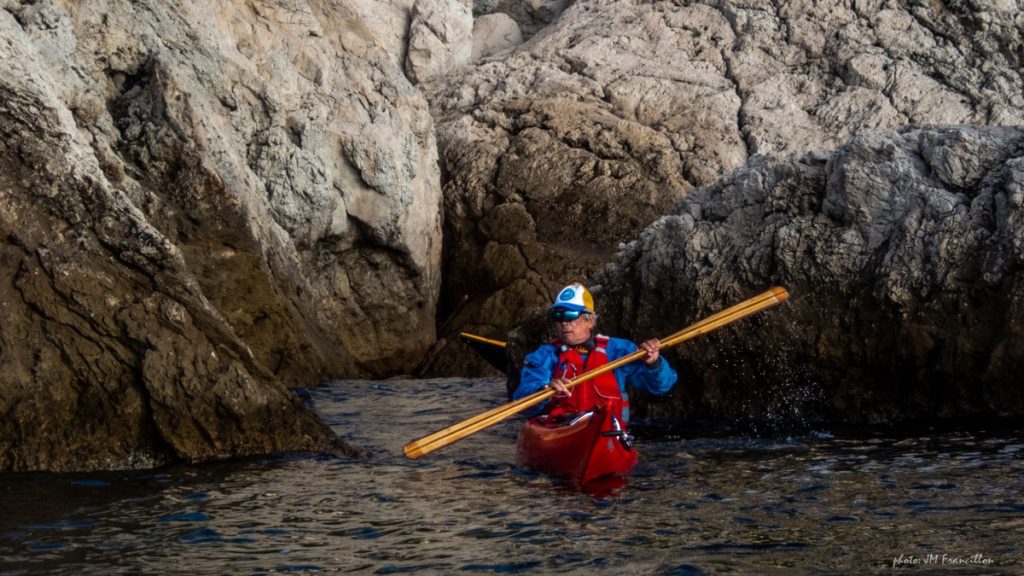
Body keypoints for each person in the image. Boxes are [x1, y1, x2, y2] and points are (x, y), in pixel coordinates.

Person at [514, 283, 677, 424]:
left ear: (590, 321)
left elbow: (662, 386)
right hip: (560, 428)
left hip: (607, 430)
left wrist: (654, 363)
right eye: (558, 316)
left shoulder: (620, 350)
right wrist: (544, 390)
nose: (564, 322)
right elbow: (523, 398)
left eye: (570, 315)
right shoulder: (543, 356)